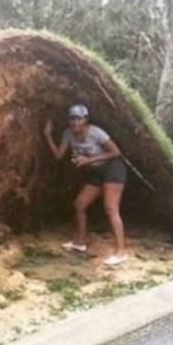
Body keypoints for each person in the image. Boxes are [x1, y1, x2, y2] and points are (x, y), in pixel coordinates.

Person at [43, 104, 129, 266]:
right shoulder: (68, 134)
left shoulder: (96, 132)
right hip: (96, 172)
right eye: (72, 119)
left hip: (113, 169)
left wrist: (88, 160)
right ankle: (79, 242)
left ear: (86, 120)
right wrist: (47, 136)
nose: (75, 122)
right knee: (79, 204)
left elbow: (116, 152)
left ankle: (121, 252)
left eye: (79, 119)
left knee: (111, 208)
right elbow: (59, 156)